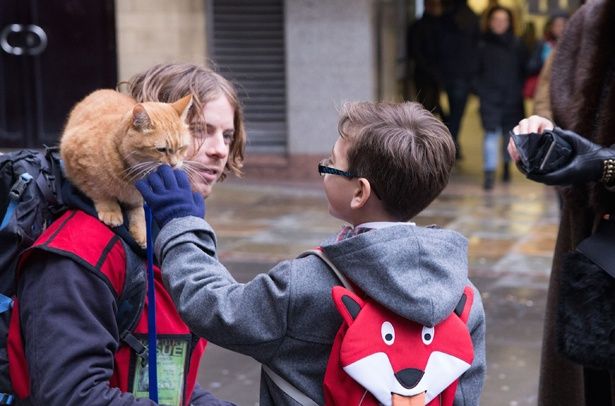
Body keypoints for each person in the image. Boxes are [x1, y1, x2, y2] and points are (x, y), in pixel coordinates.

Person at [137, 101, 486, 405]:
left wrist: (181, 222)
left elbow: (216, 307)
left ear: (359, 194)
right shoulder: (463, 297)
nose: (323, 167)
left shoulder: (307, 283)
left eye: (330, 164)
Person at [14, 63, 245, 405]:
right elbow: (71, 396)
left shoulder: (169, 234)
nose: (219, 150)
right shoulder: (81, 251)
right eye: (199, 130)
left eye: (226, 135)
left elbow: (164, 377)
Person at [507, 1, 615, 404]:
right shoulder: (589, 23)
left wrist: (606, 166)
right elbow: (549, 110)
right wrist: (538, 135)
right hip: (589, 239)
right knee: (589, 383)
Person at [475, 5, 527, 190]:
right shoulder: (481, 44)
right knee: (490, 135)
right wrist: (481, 89)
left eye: (503, 20)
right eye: (496, 20)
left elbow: (524, 69)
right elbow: (474, 70)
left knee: (508, 137)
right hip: (489, 97)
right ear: (489, 22)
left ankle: (505, 166)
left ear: (509, 23)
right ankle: (489, 174)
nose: (499, 24)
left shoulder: (517, 44)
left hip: (512, 97)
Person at [437, 0, 480, 160]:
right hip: (464, 74)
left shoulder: (445, 18)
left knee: (452, 112)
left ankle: (451, 144)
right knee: (457, 114)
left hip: (450, 72)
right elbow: (476, 48)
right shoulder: (473, 18)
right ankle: (451, 145)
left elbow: (441, 46)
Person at [407, 0, 443, 117]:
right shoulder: (418, 27)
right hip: (424, 74)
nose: (437, 9)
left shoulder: (439, 25)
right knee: (426, 106)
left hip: (433, 72)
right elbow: (415, 52)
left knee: (433, 104)